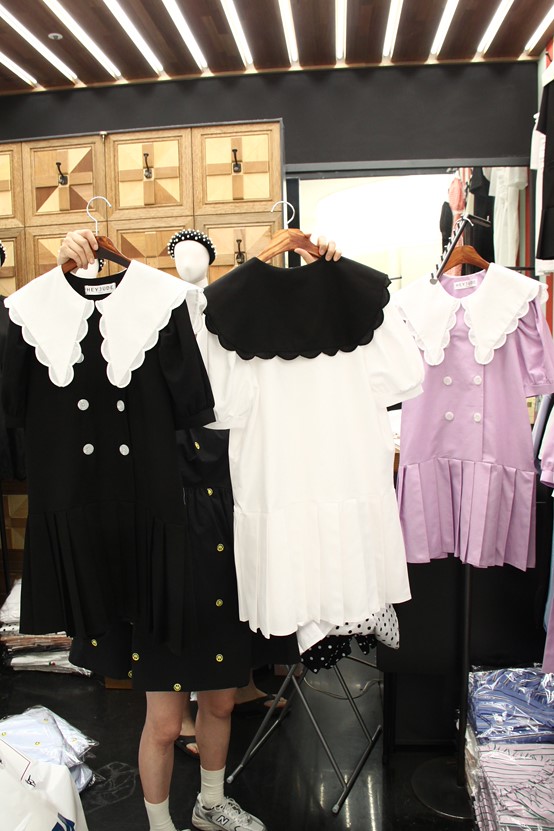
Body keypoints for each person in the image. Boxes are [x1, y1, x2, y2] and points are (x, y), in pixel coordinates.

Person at [57, 227, 341, 831]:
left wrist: (312, 261)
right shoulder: (135, 339)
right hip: (161, 550)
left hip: (226, 543)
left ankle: (212, 803)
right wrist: (69, 267)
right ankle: (160, 823)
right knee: (163, 722)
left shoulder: (234, 340)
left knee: (220, 702)